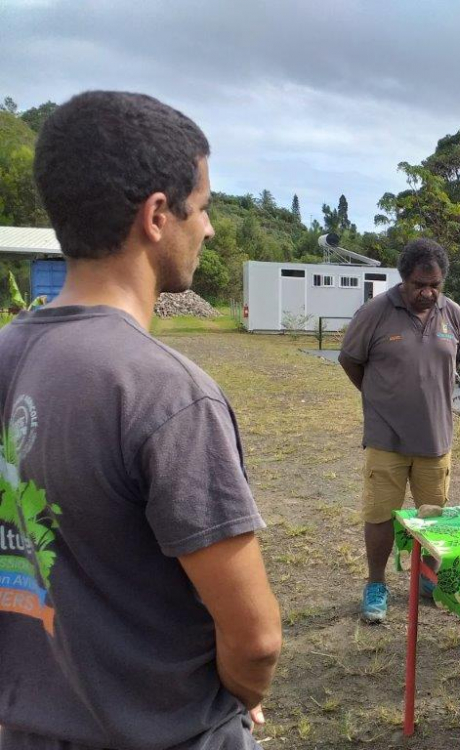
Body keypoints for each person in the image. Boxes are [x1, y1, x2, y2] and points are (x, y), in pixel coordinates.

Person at [0, 91, 282, 749]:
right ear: (158, 215)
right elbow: (257, 640)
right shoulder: (165, 394)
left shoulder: (8, 351)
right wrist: (232, 697)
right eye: (204, 207)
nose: (208, 228)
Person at [339, 238, 460, 624]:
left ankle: (429, 579)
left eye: (435, 285)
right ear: (403, 280)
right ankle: (376, 584)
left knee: (433, 516)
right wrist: (378, 395)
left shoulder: (455, 315)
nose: (427, 292)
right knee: (380, 515)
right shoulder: (375, 312)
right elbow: (350, 360)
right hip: (386, 439)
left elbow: (457, 360)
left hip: (436, 438)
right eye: (419, 285)